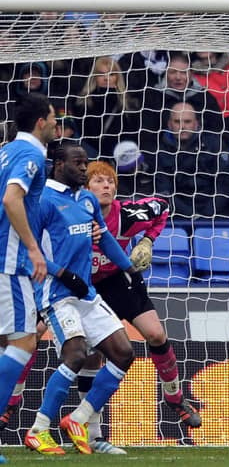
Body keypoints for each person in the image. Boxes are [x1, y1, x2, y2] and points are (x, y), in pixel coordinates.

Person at [24, 143, 146, 455]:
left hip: (85, 293)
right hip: (56, 293)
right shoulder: (42, 201)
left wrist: (128, 267)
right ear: (58, 164)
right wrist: (64, 274)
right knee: (76, 354)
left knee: (123, 352)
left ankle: (78, 419)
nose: (83, 169)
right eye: (78, 163)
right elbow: (30, 251)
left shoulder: (87, 199)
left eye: (85, 163)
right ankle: (38, 430)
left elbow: (104, 236)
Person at [83, 160, 201, 434]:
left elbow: (163, 205)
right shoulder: (73, 215)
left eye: (110, 181)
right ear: (85, 187)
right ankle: (88, 428)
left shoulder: (126, 214)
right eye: (99, 181)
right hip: (84, 285)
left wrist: (148, 240)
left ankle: (174, 398)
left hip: (118, 279)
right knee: (87, 354)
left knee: (156, 335)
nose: (107, 186)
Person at [0, 93, 56, 464]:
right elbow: (11, 199)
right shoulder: (31, 154)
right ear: (40, 121)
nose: (57, 123)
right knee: (23, 345)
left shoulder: (6, 150)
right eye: (53, 118)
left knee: (11, 341)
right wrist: (34, 250)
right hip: (11, 263)